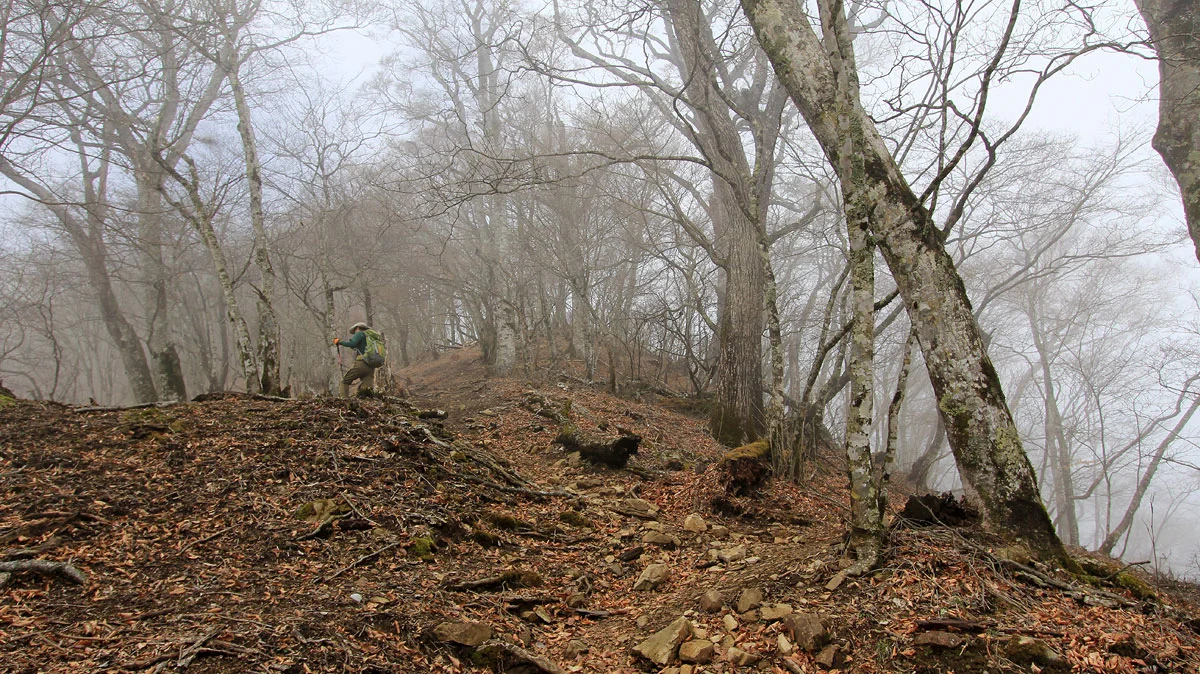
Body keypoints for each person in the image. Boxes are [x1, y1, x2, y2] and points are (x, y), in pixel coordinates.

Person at [333, 322, 379, 397]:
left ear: (357, 328)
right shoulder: (370, 337)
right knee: (367, 389)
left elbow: (352, 344)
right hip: (371, 366)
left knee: (344, 381)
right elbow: (356, 347)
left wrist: (339, 342)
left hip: (361, 364)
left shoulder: (359, 333)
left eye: (354, 331)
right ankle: (368, 405)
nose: (354, 333)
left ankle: (344, 402)